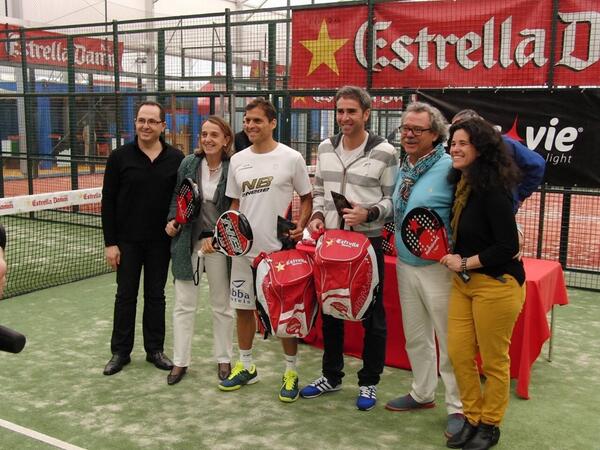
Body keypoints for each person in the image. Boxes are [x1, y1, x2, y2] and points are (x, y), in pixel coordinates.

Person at [300, 86, 398, 411]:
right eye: (340, 111)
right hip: (329, 244)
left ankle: (369, 382)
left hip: (366, 243)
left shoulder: (385, 152)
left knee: (372, 315)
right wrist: (316, 215)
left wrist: (368, 213)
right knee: (330, 312)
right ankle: (331, 375)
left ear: (366, 114)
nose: (344, 118)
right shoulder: (325, 147)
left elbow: (392, 200)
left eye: (351, 111)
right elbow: (317, 189)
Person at [219, 97, 313, 403]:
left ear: (272, 123)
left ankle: (290, 371)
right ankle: (246, 366)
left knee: (284, 315)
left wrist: (302, 222)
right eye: (247, 120)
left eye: (257, 120)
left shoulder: (291, 158)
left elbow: (307, 195)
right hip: (243, 255)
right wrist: (231, 237)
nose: (250, 125)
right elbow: (234, 205)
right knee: (243, 311)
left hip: (279, 256)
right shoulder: (237, 160)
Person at [441, 118, 525, 450]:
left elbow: (508, 247)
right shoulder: (463, 185)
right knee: (460, 354)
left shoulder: (493, 190)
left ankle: (490, 425)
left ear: (481, 148)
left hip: (497, 284)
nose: (455, 149)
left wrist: (463, 262)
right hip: (465, 284)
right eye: (453, 143)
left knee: (493, 360)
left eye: (463, 143)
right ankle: (472, 418)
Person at [386, 102, 464, 438]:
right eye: (405, 128)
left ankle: (459, 407)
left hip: (439, 269)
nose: (408, 135)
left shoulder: (451, 166)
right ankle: (422, 392)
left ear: (436, 135)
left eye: (417, 130)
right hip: (405, 264)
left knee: (449, 340)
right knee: (416, 336)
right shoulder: (407, 166)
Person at [101, 101, 184, 376]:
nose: (145, 126)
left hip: (161, 243)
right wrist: (110, 243)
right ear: (135, 123)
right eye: (141, 120)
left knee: (155, 296)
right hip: (126, 242)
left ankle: (155, 350)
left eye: (151, 121)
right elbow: (108, 201)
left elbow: (181, 199)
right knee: (125, 296)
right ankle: (120, 352)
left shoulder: (176, 158)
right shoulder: (119, 157)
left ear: (163, 126)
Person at [164, 116, 235, 385]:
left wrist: (217, 239)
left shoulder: (233, 167)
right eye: (204, 134)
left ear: (226, 139)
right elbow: (177, 198)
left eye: (214, 135)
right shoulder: (189, 164)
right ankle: (180, 362)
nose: (208, 139)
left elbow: (235, 207)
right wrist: (172, 221)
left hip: (220, 245)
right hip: (188, 244)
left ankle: (224, 358)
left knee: (222, 306)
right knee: (184, 305)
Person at [451, 109, 545, 212]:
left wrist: (521, 194)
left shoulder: (504, 143)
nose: (457, 131)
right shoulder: (457, 151)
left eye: (461, 126)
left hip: (498, 205)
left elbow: (537, 164)